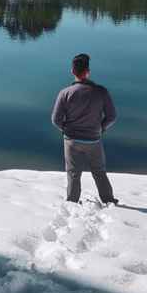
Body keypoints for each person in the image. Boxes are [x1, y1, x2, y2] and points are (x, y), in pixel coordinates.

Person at [51, 53, 118, 205]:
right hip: (94, 139)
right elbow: (112, 116)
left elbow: (55, 120)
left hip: (71, 140)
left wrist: (65, 129)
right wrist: (101, 128)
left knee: (73, 174)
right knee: (99, 171)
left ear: (72, 71)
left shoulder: (65, 93)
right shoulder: (101, 92)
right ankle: (109, 200)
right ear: (88, 71)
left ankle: (72, 202)